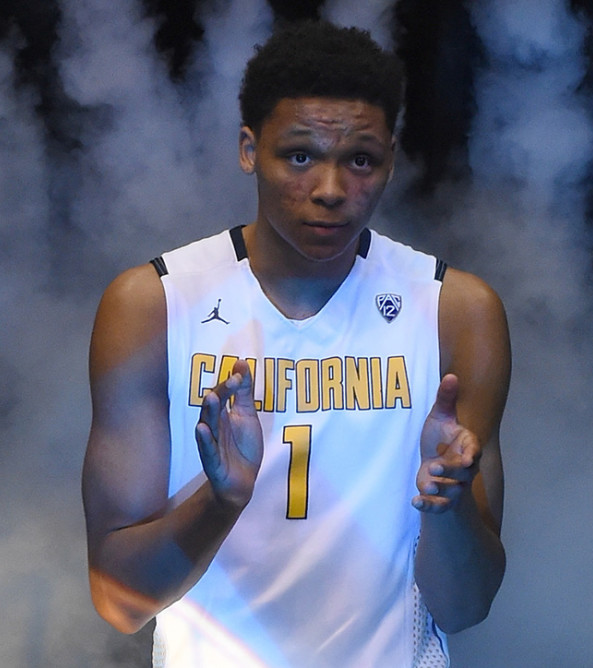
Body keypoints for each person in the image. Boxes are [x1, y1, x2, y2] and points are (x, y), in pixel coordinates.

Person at [82, 19, 510, 668]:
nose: (331, 191)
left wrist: (446, 505)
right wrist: (220, 500)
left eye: (359, 160)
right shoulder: (152, 305)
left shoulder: (456, 312)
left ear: (391, 160)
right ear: (249, 150)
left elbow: (465, 608)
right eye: (301, 156)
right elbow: (120, 603)